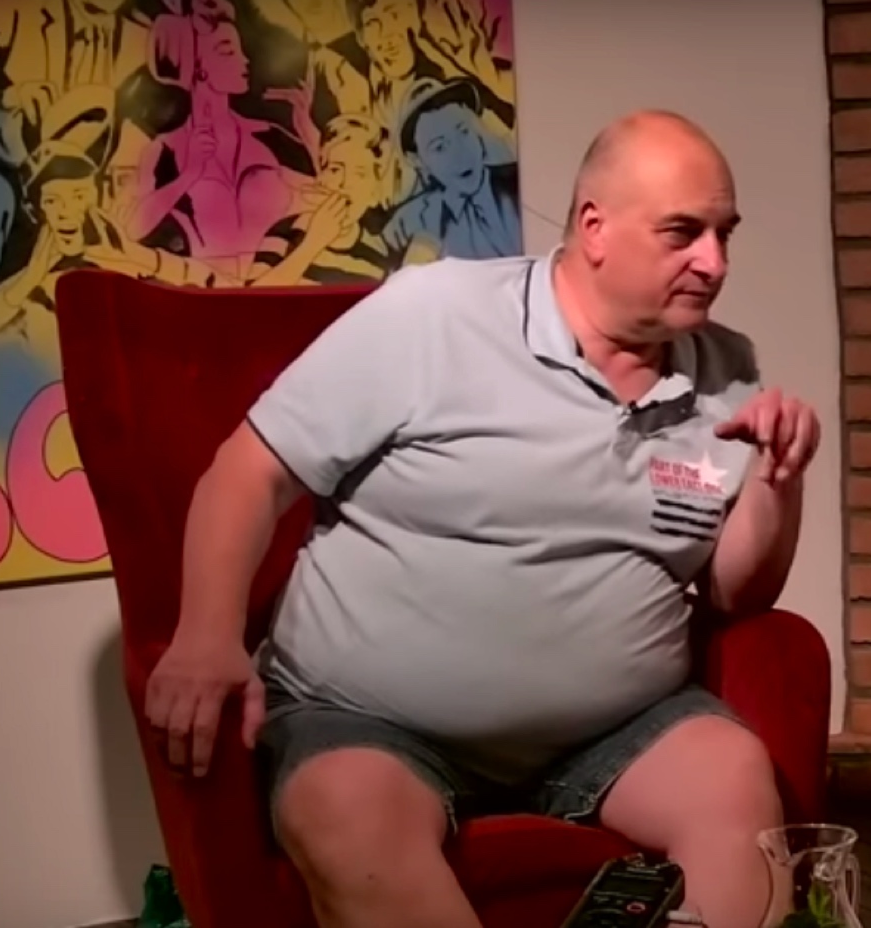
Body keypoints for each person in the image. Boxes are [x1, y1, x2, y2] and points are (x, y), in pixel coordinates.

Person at [142, 109, 819, 928]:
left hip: (615, 726)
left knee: (735, 784)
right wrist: (207, 635)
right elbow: (248, 472)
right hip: (370, 720)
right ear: (595, 228)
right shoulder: (435, 316)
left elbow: (735, 595)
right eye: (683, 233)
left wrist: (777, 482)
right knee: (350, 817)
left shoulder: (727, 369)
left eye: (723, 234)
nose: (714, 262)